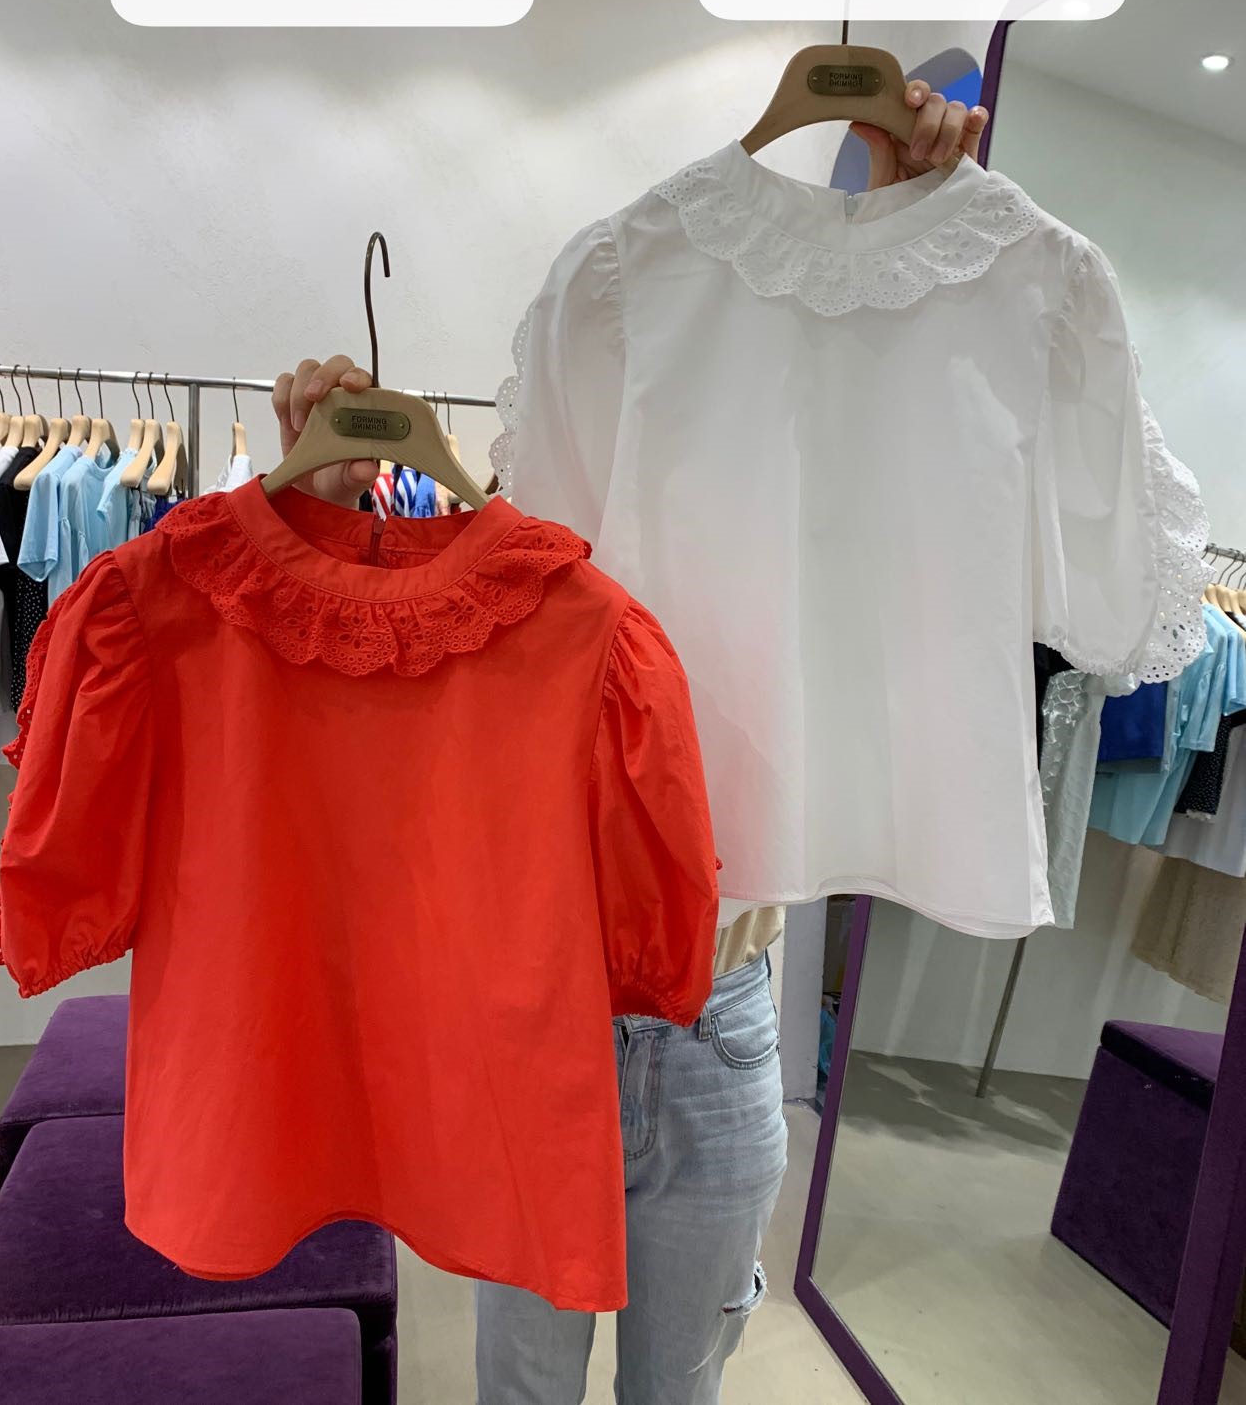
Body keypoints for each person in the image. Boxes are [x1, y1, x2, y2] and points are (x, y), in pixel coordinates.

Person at [272, 83, 989, 1404]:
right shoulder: (476, 558)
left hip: (721, 1014)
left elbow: (922, 506)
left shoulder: (796, 508)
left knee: (680, 1388)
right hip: (534, 1019)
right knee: (525, 1387)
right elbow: (349, 733)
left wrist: (903, 257)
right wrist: (321, 522)